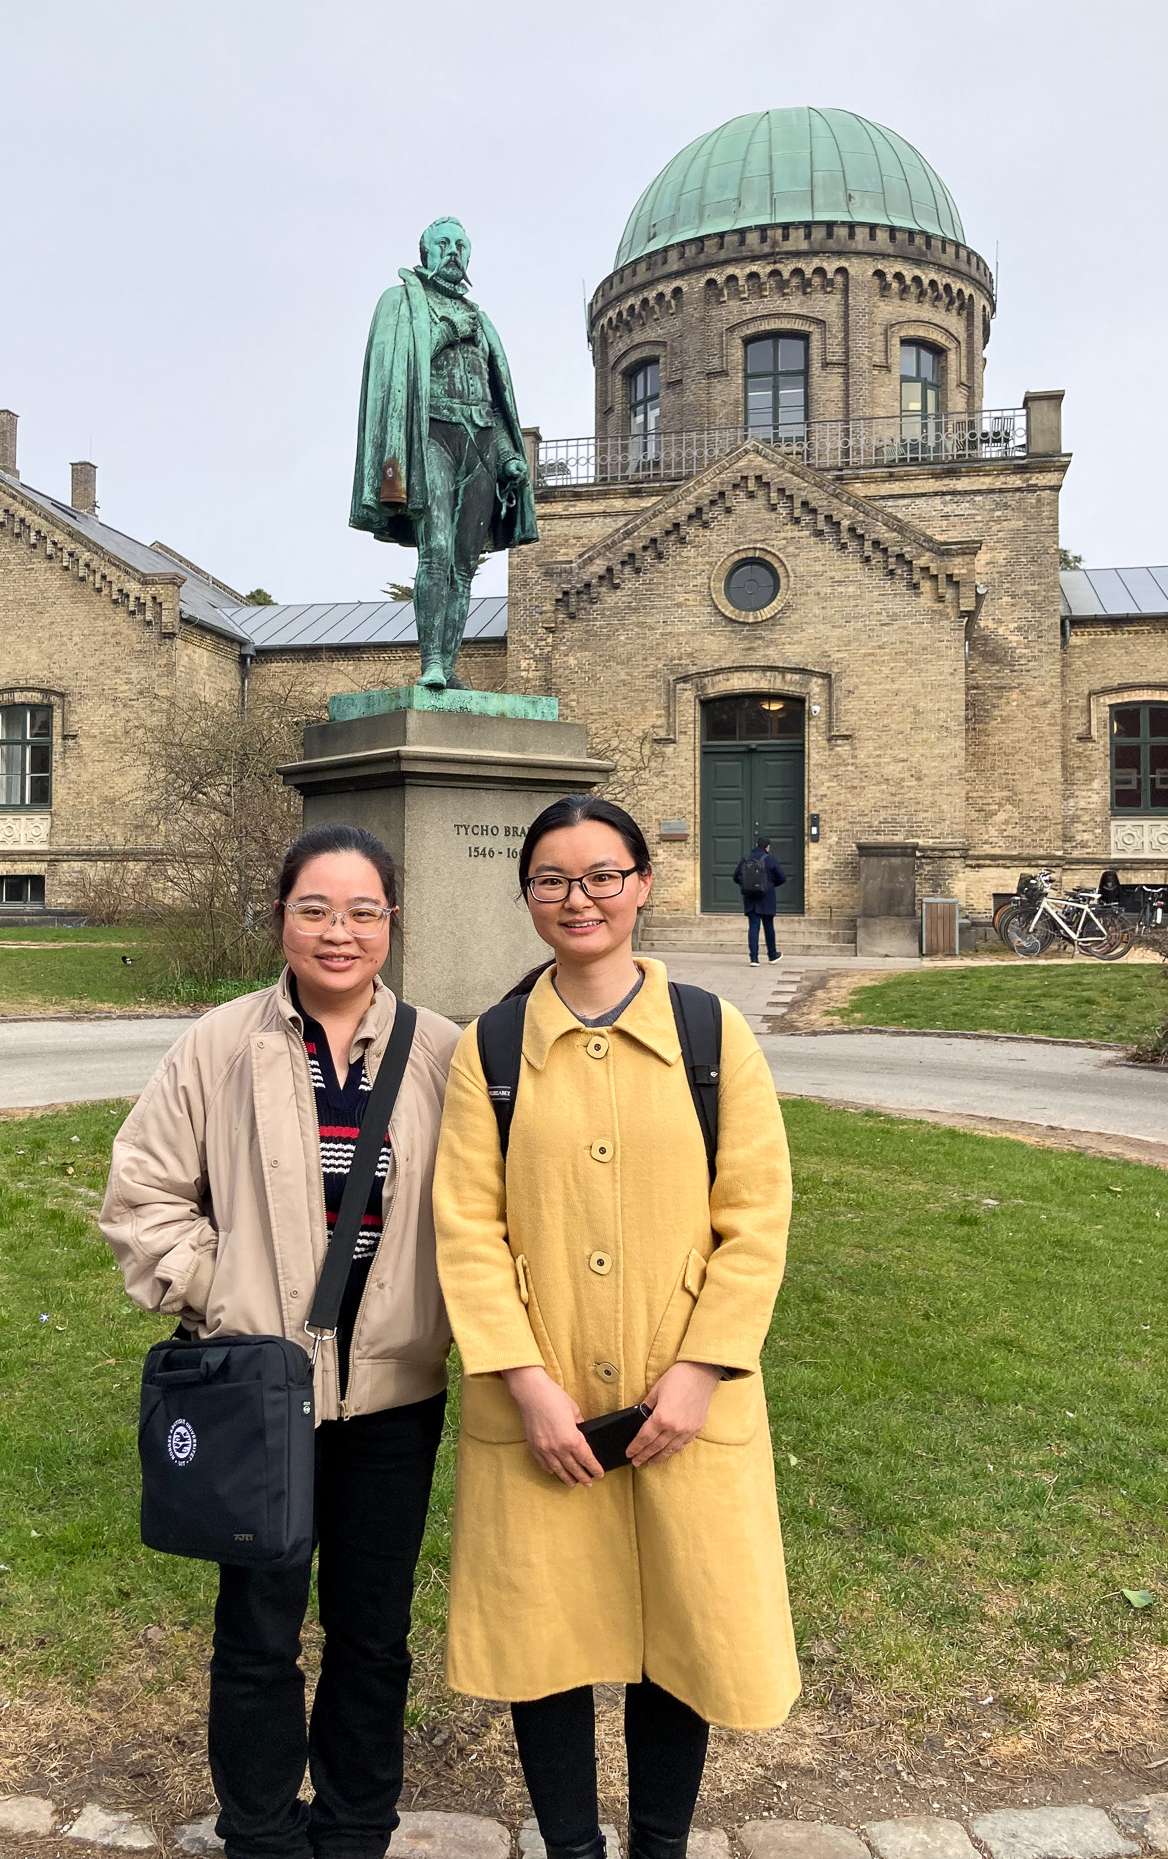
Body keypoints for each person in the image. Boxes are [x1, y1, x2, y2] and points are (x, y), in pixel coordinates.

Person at [432, 796, 800, 1859]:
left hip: (683, 1400)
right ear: (528, 896)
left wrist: (702, 1369)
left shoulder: (711, 1033)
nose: (578, 897)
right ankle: (571, 1848)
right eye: (552, 878)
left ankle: (658, 1847)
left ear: (642, 884)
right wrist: (523, 1382)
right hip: (541, 1407)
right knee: (543, 1636)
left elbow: (756, 1215)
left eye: (602, 875)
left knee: (680, 1633)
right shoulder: (491, 1046)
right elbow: (467, 1229)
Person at [99, 825, 461, 1859]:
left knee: (372, 1632)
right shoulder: (219, 1045)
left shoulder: (441, 1053)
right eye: (315, 909)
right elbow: (144, 1194)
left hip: (393, 1393)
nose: (338, 931)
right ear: (280, 919)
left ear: (391, 922)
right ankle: (259, 1830)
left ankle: (353, 1827)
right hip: (259, 1390)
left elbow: (488, 1211)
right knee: (258, 1631)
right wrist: (225, 1295)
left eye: (362, 911)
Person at [349, 216, 538, 690]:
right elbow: (398, 369)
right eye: (444, 244)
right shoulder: (402, 302)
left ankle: (449, 668)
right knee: (435, 552)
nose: (453, 251)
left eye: (461, 245)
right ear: (426, 252)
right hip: (430, 436)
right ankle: (431, 662)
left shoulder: (482, 320)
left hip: (481, 443)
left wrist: (507, 454)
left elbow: (495, 398)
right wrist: (448, 331)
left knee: (464, 565)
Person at [735, 836, 786, 965]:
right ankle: (772, 955)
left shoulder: (746, 859)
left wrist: (747, 885)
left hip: (750, 898)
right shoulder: (770, 860)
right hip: (767, 898)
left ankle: (754, 958)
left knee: (753, 927)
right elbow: (782, 877)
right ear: (767, 847)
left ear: (757, 845)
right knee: (769, 926)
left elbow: (736, 877)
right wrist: (771, 884)